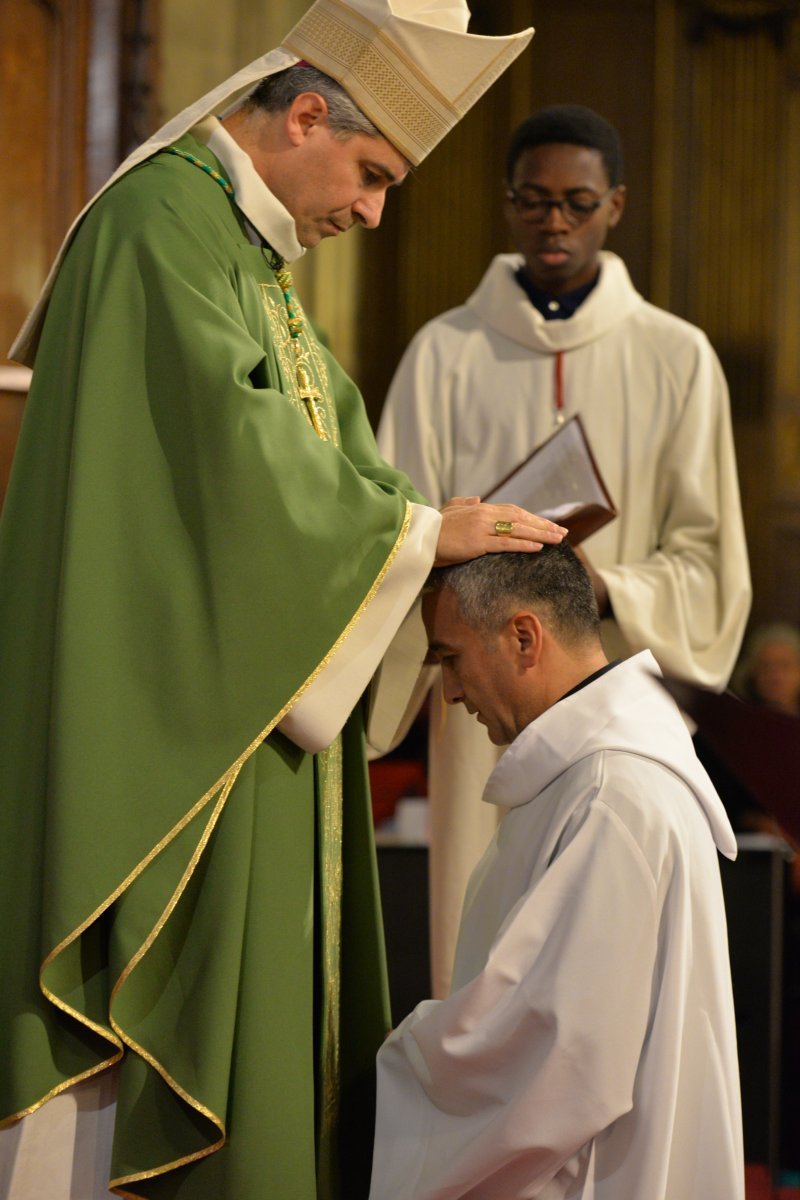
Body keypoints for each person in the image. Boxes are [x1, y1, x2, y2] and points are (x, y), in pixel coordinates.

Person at [0, 4, 555, 1197]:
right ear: (303, 114)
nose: (369, 212)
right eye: (369, 174)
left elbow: (334, 460)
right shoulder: (161, 228)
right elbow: (232, 477)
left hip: (246, 736)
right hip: (170, 752)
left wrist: (424, 537)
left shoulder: (248, 259)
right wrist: (412, 535)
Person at [377, 103, 752, 996]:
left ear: (615, 206)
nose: (556, 222)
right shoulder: (444, 354)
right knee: (488, 964)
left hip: (621, 694)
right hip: (485, 713)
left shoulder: (678, 357)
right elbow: (394, 541)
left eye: (578, 203)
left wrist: (606, 583)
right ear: (508, 206)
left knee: (616, 977)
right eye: (536, 201)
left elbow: (712, 570)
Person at [369, 546, 744, 1200]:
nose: (450, 693)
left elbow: (557, 1060)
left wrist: (379, 1072)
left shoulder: (610, 793)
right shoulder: (594, 774)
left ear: (523, 637)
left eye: (450, 659)